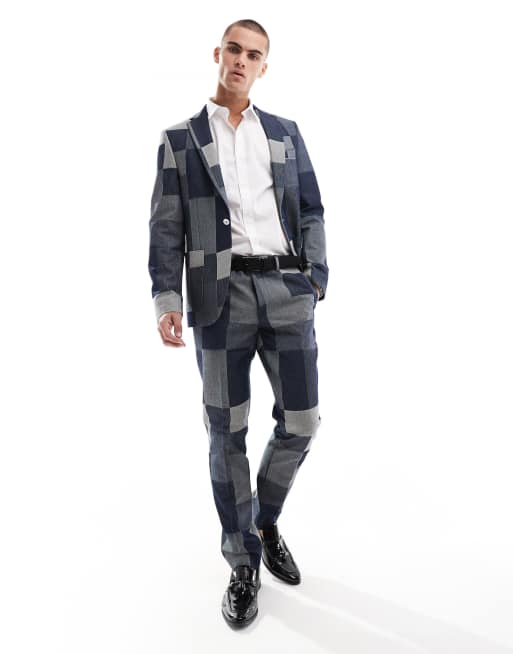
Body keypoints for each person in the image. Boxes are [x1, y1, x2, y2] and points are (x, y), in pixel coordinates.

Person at [148, 18, 328, 629]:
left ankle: (262, 519)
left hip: (287, 290)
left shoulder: (284, 132)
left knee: (302, 421)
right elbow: (166, 227)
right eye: (234, 49)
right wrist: (167, 298)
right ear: (218, 54)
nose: (241, 61)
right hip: (218, 300)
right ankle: (243, 561)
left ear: (263, 66)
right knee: (226, 430)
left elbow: (311, 208)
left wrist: (315, 277)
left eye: (254, 54)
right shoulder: (181, 140)